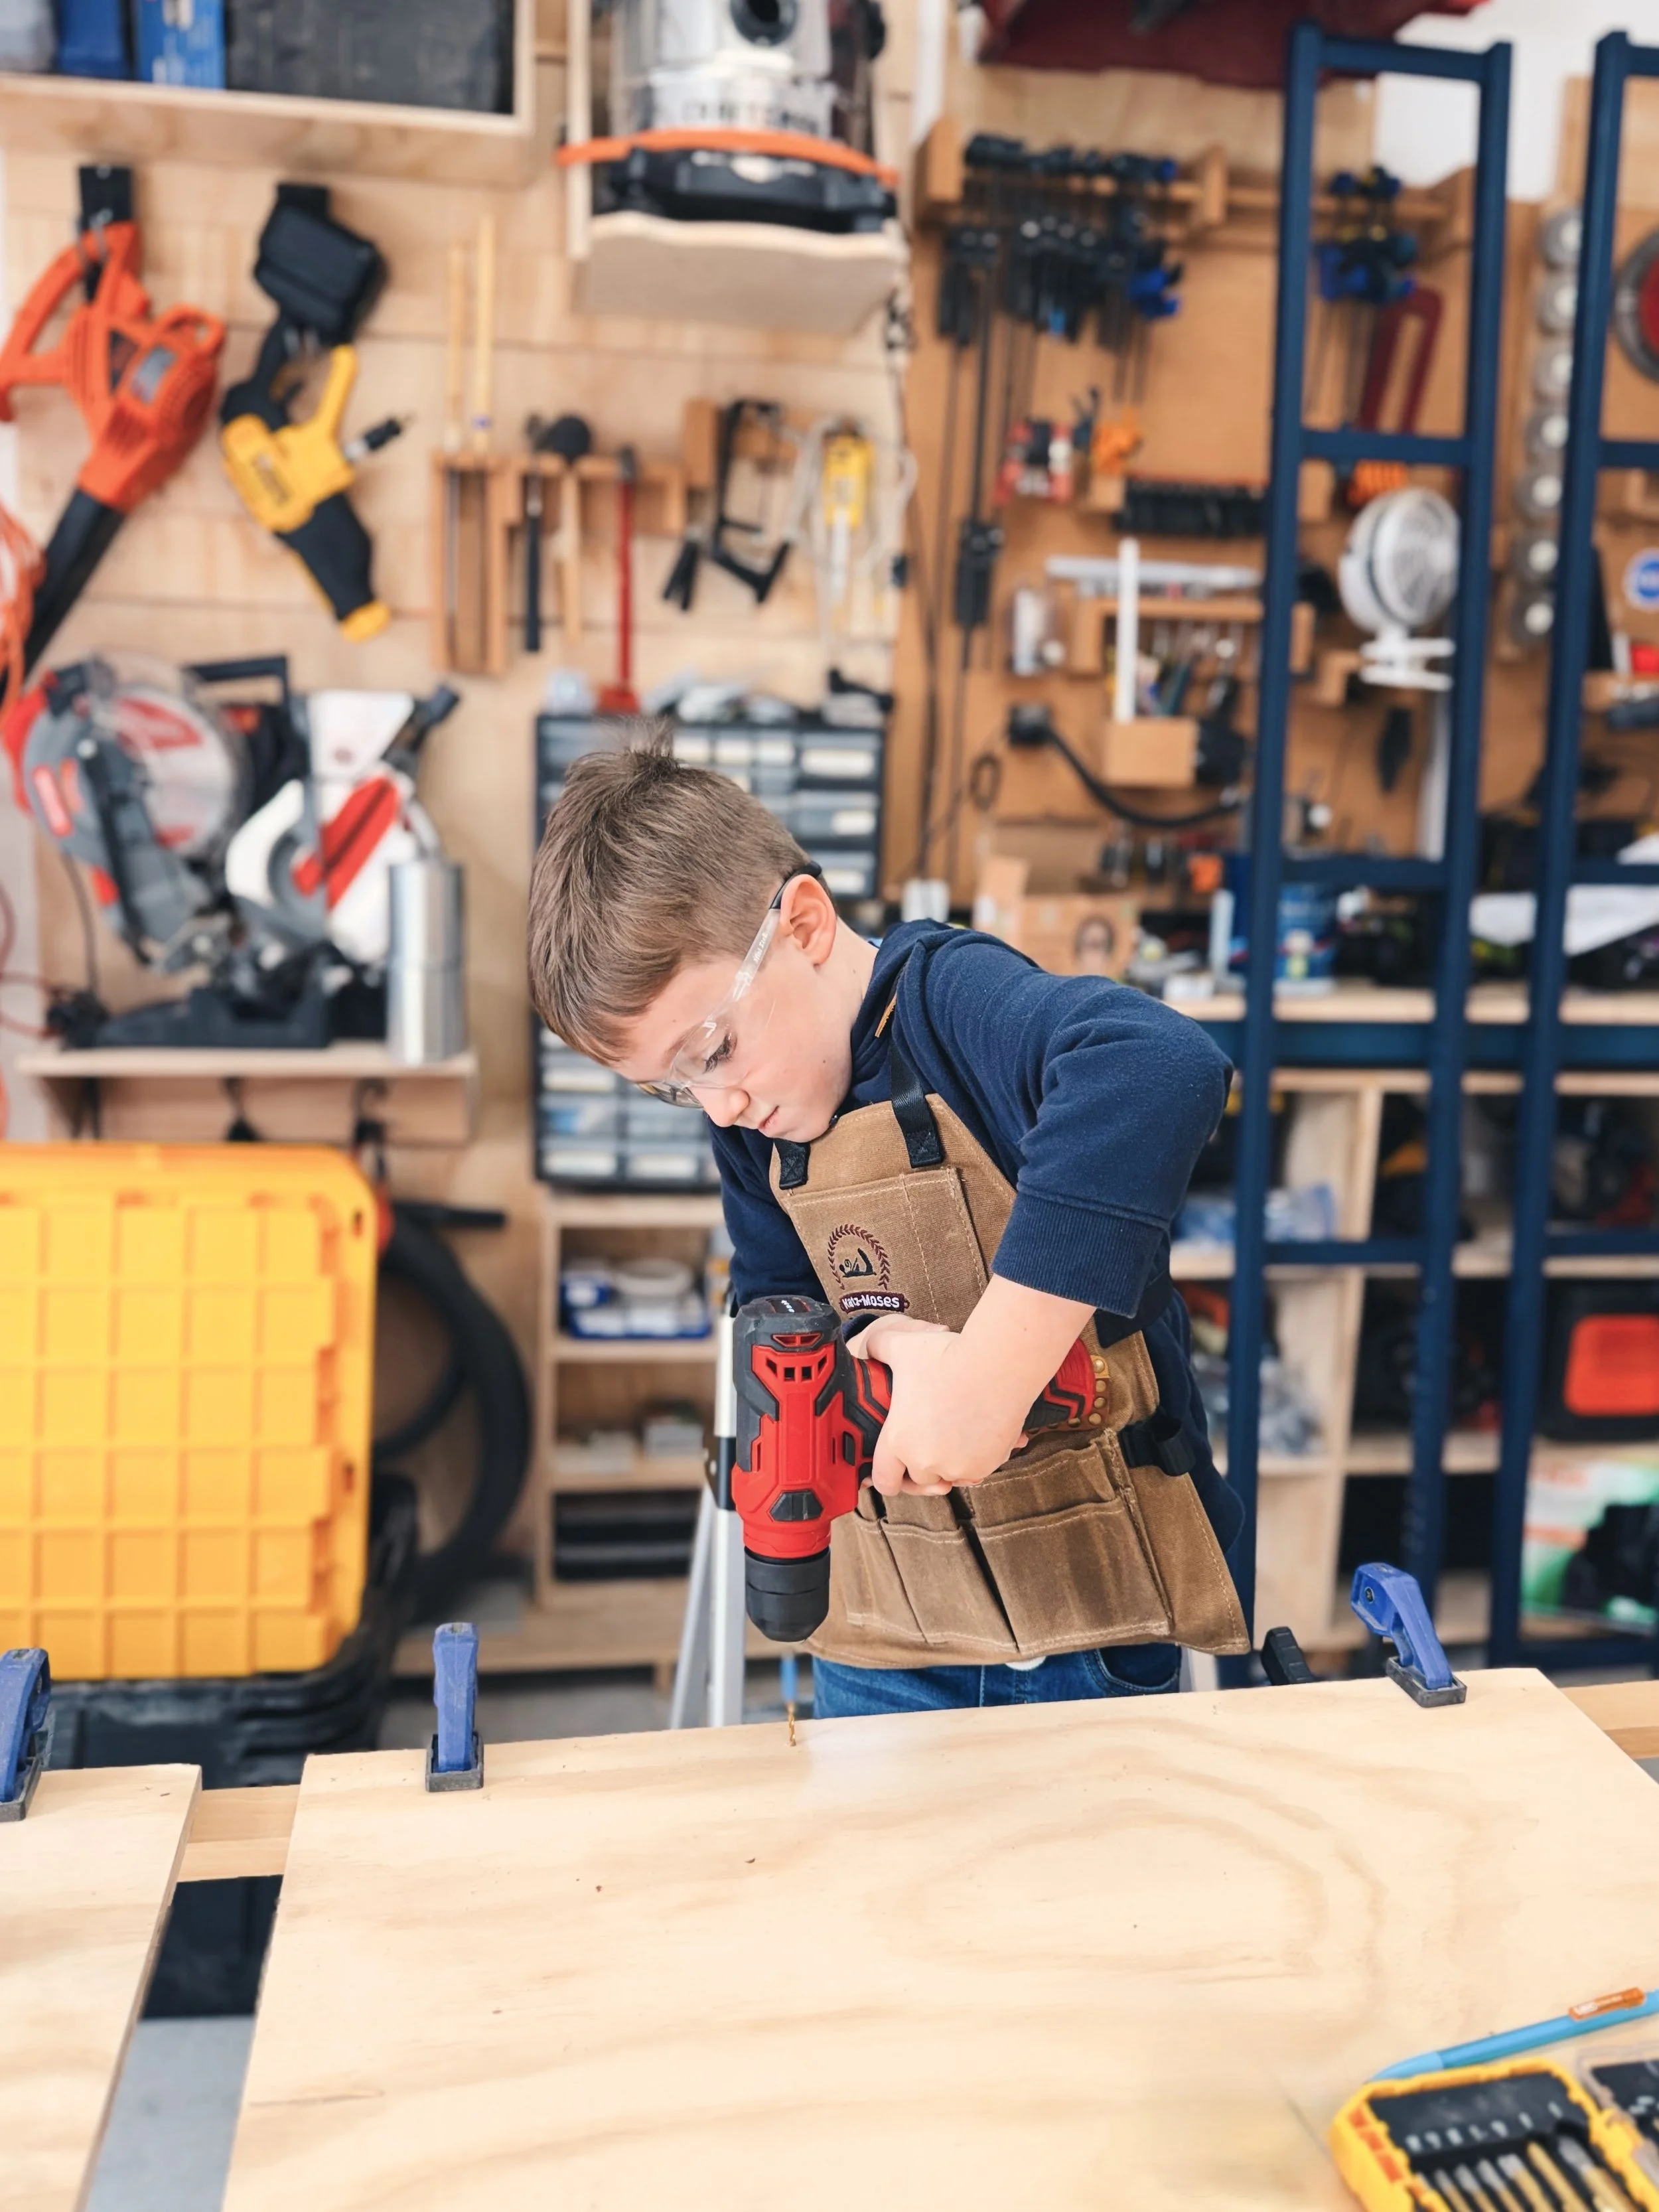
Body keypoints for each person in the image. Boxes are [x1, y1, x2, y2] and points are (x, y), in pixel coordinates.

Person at [527, 731, 1248, 1720]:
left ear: (807, 926)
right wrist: (868, 1359)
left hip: (1092, 1619)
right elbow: (783, 1330)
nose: (718, 1104)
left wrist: (990, 1377)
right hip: (887, 1630)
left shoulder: (951, 1005)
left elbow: (1157, 1066)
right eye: (673, 1087)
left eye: (713, 1048)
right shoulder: (757, 1126)